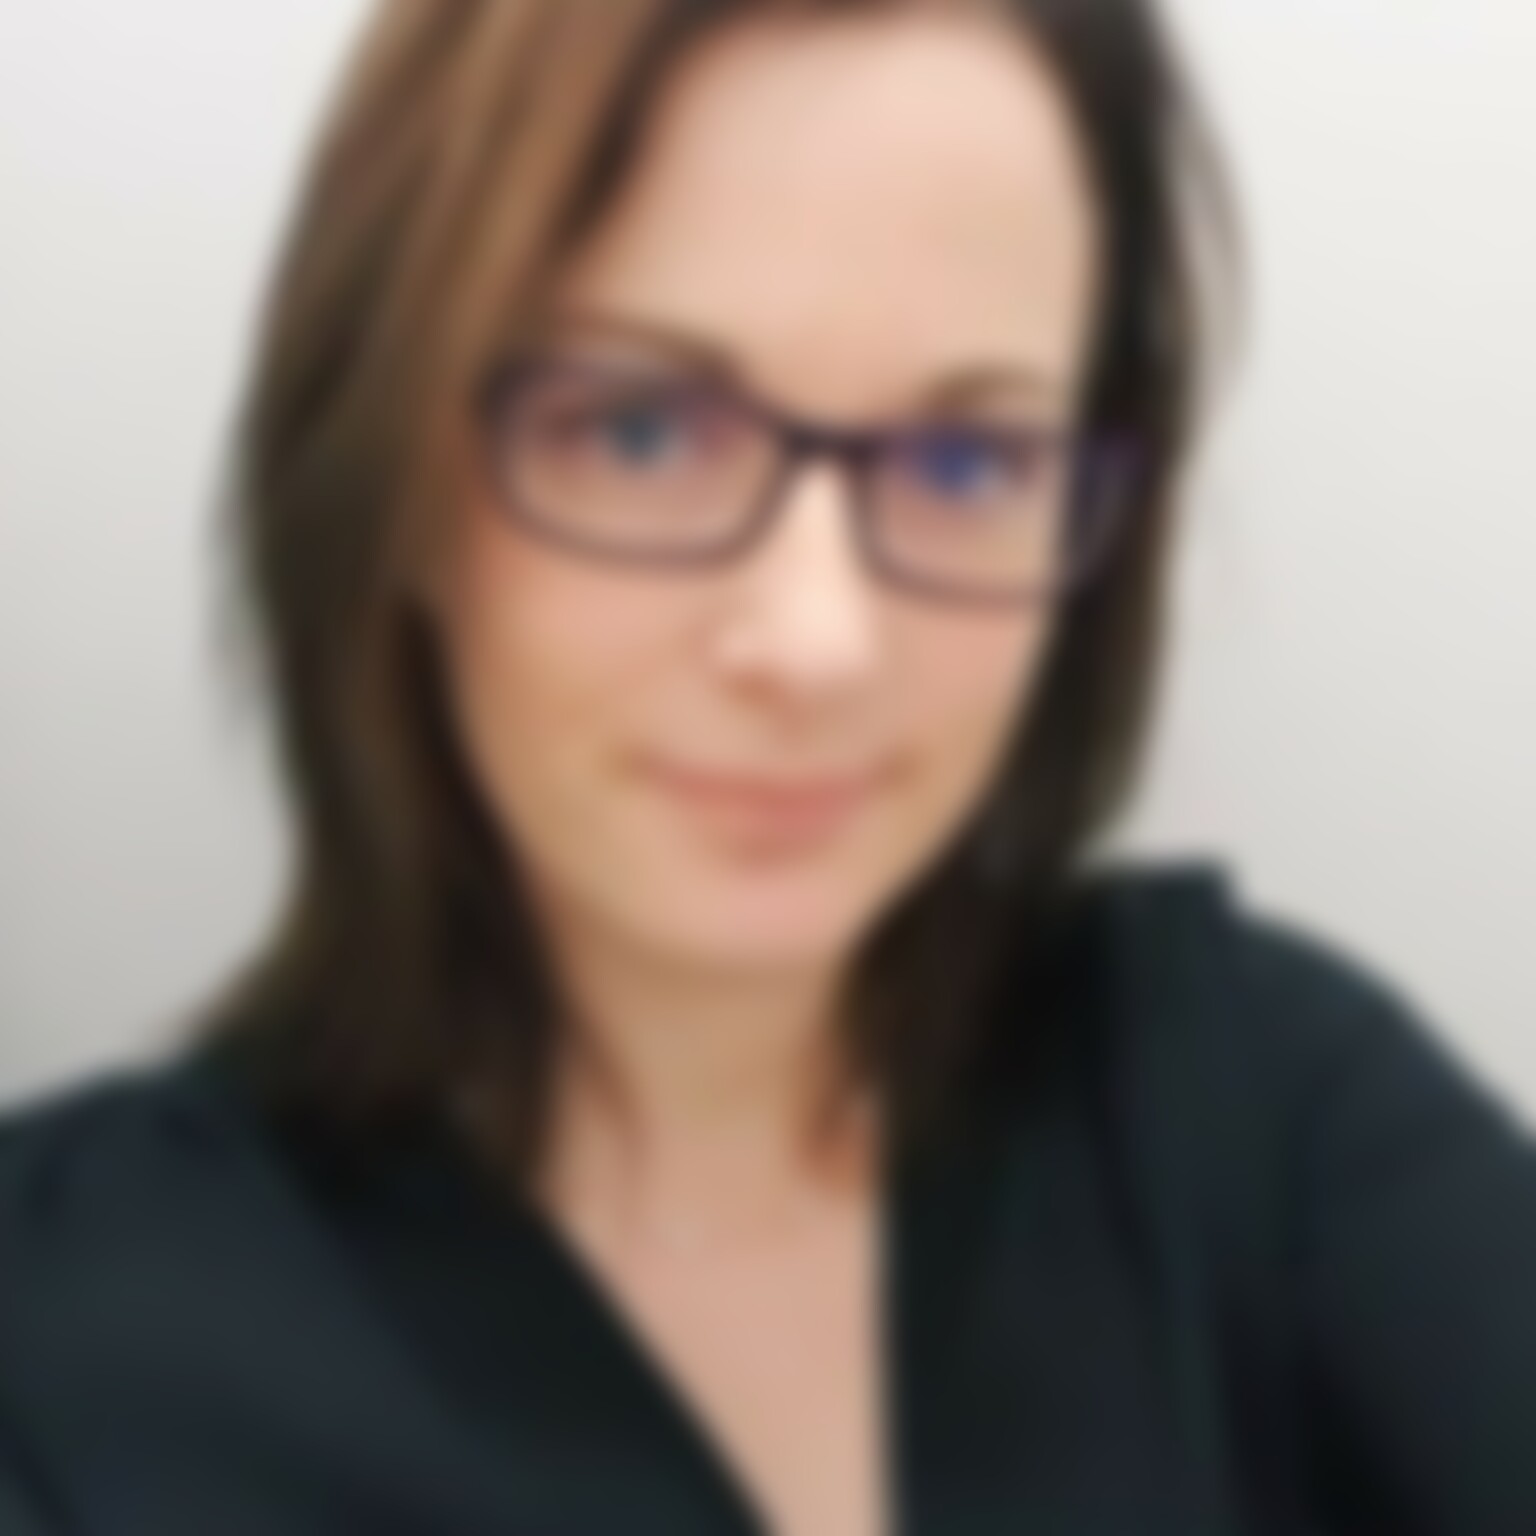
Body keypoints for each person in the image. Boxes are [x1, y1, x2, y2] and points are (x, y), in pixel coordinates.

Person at [2, 1, 1534, 1532]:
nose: (820, 645)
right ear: (390, 478)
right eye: (641, 431)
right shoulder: (61, 1350)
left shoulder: (1255, 1114)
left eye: (968, 461)